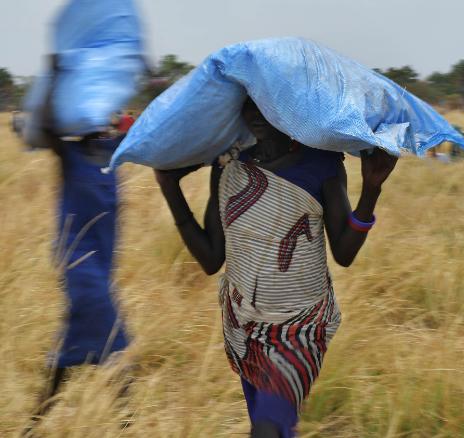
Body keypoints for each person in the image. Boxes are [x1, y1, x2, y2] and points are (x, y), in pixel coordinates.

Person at [154, 98, 398, 437]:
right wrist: (170, 188)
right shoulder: (228, 166)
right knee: (269, 427)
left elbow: (343, 252)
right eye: (247, 105)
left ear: (288, 104)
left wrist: (371, 191)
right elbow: (211, 258)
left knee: (268, 429)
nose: (256, 113)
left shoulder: (321, 165)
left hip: (300, 329)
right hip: (244, 327)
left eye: (266, 102)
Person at [29, 54, 131, 421]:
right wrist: (54, 77)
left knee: (83, 333)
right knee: (110, 333)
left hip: (104, 264)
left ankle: (39, 416)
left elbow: (159, 134)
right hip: (78, 262)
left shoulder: (115, 150)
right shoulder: (67, 153)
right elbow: (42, 124)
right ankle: (127, 416)